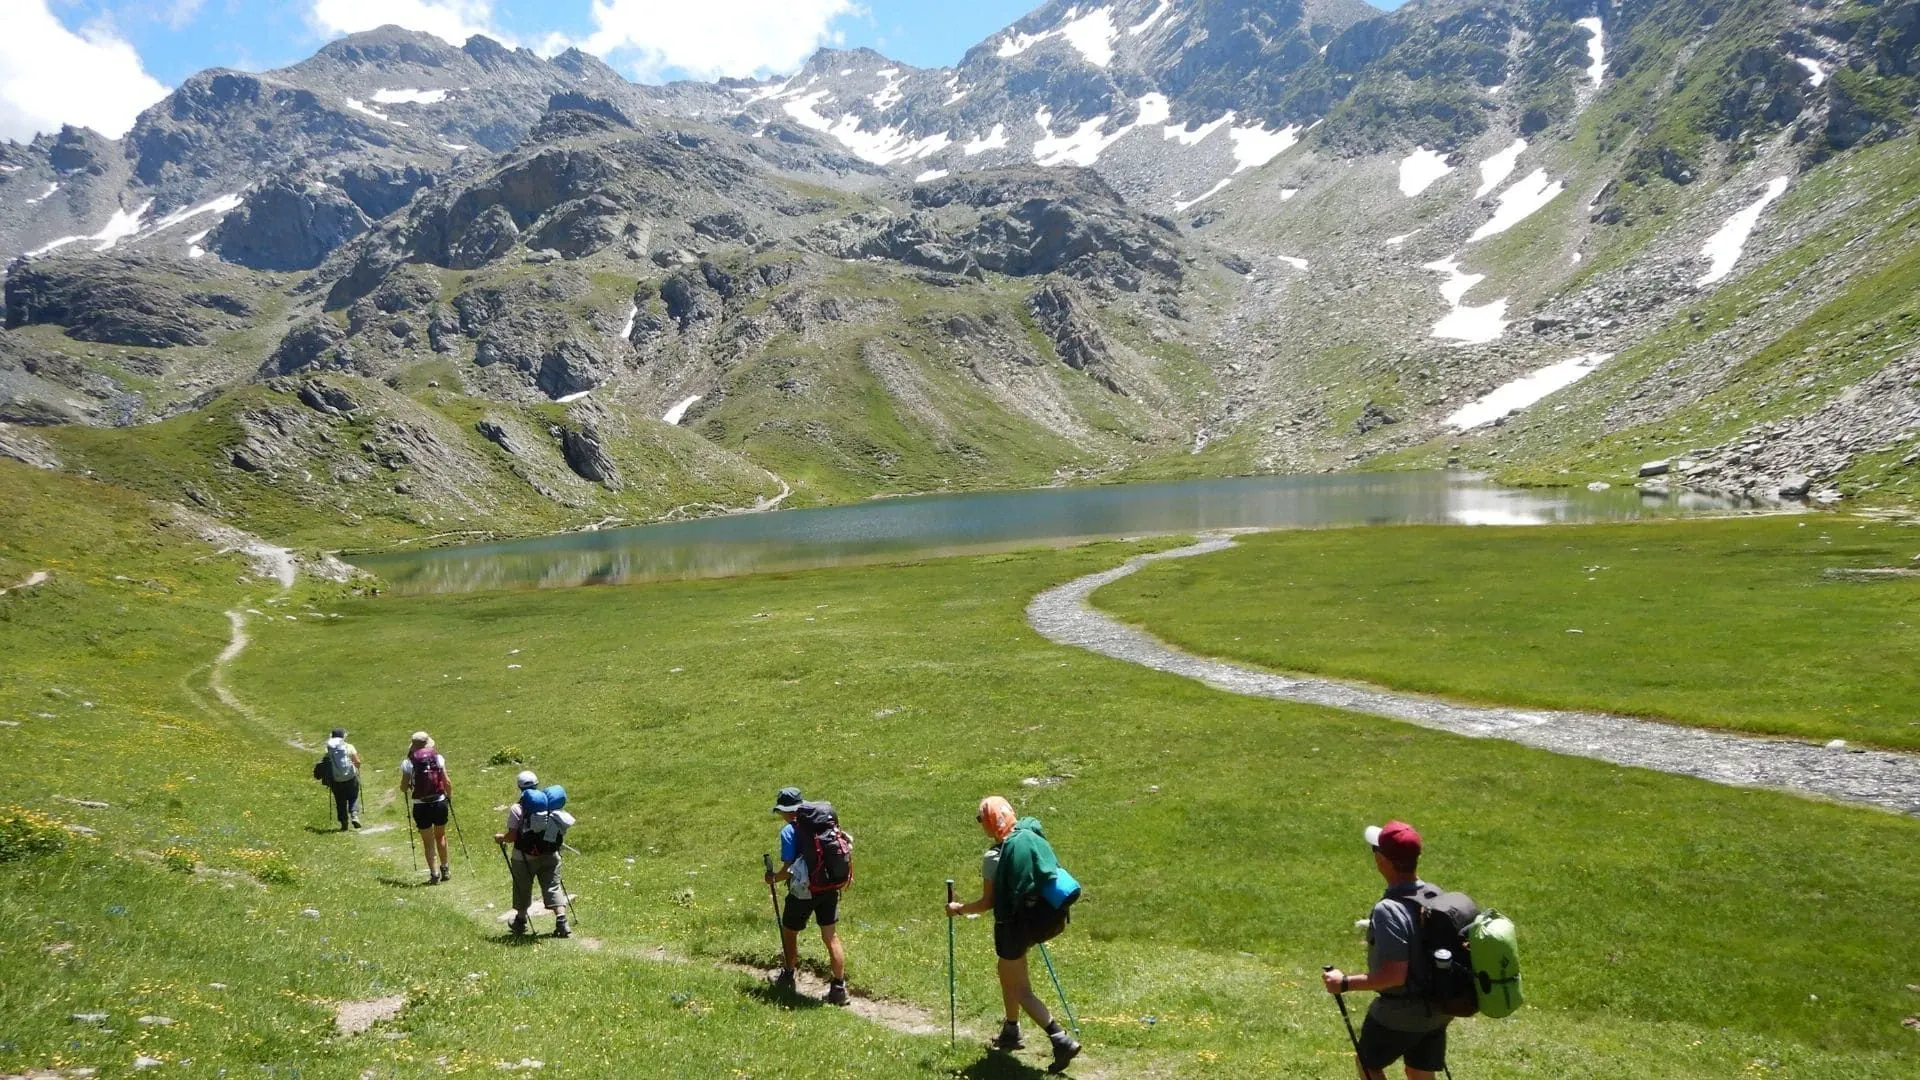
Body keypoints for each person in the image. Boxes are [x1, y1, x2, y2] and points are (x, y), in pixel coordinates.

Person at [947, 796, 1081, 1073]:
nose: (982, 826)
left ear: (990, 822)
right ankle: (1011, 1029)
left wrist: (958, 909)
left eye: (982, 820)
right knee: (1008, 974)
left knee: (1019, 988)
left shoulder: (994, 856)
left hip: (1013, 928)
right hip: (1036, 921)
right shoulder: (1030, 834)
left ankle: (1059, 1038)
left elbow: (988, 903)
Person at [1321, 821, 1451, 1080]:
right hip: (1439, 1008)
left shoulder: (1388, 910)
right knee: (1419, 1071)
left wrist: (1344, 982)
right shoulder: (1434, 894)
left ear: (1382, 861)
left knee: (1368, 1063)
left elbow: (1394, 976)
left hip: (1401, 1013)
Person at [764, 786, 849, 1006]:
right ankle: (839, 988)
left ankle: (788, 975)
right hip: (829, 887)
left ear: (786, 811)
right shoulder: (823, 823)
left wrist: (773, 877)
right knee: (830, 937)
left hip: (803, 892)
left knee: (790, 932)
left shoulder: (789, 831)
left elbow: (788, 868)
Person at [496, 771, 570, 938]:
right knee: (553, 886)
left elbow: (513, 836)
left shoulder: (517, 808)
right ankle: (561, 920)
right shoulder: (549, 804)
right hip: (550, 853)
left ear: (519, 787)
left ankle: (520, 922)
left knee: (522, 887)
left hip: (524, 857)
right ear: (537, 784)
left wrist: (501, 838)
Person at [398, 731, 452, 884]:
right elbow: (447, 782)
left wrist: (408, 786)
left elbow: (403, 787)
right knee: (440, 836)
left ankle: (434, 874)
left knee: (428, 842)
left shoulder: (408, 763)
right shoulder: (438, 758)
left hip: (420, 805)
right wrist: (449, 797)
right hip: (439, 801)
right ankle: (445, 868)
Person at [322, 727, 362, 830]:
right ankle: (354, 815)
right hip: (351, 777)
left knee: (340, 801)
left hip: (336, 780)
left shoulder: (329, 748)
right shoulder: (349, 747)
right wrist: (356, 768)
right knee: (353, 797)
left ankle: (344, 824)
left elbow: (326, 762)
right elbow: (357, 761)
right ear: (343, 736)